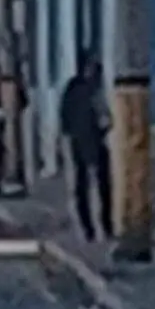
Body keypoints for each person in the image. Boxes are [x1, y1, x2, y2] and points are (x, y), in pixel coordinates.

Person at [59, 53, 114, 242]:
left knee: (87, 186)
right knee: (96, 186)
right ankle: (99, 226)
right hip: (89, 142)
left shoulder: (76, 89)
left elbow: (65, 119)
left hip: (83, 142)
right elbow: (106, 119)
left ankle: (93, 227)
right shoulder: (90, 91)